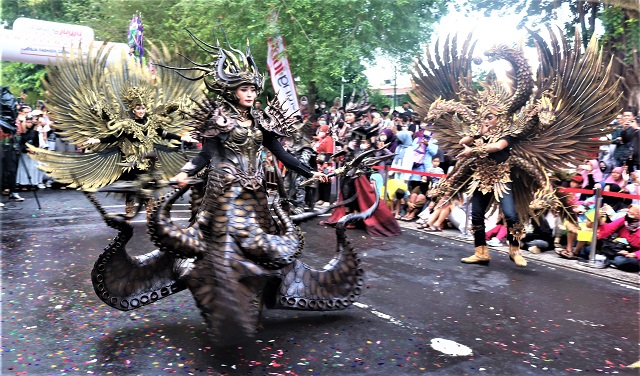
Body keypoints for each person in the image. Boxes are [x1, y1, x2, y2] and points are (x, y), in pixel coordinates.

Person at [171, 45, 328, 215]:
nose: (250, 95)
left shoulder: (260, 121)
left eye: (252, 90)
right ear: (232, 92)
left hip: (255, 189)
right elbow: (205, 156)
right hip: (225, 188)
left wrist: (310, 172)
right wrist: (185, 172)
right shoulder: (218, 121)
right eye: (244, 89)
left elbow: (282, 154)